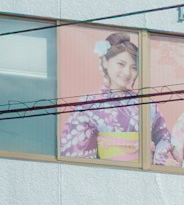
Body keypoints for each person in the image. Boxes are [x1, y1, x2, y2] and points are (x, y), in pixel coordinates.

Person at [60, 32, 175, 163]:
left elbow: (164, 138)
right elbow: (76, 150)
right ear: (105, 62)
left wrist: (158, 157)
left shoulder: (147, 104)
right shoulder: (89, 104)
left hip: (143, 173)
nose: (127, 73)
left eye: (134, 68)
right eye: (121, 64)